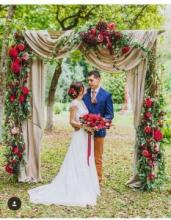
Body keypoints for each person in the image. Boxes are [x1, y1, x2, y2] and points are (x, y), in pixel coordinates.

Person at [28, 81, 100, 207]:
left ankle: (85, 184)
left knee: (85, 159)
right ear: (80, 91)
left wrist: (92, 125)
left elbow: (84, 118)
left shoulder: (81, 102)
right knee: (78, 159)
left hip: (86, 136)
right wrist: (85, 126)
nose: (85, 89)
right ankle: (76, 186)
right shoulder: (74, 104)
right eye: (83, 88)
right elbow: (72, 122)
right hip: (79, 136)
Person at [83, 70, 114, 184]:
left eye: (91, 80)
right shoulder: (85, 94)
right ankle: (86, 178)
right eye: (88, 80)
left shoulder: (106, 95)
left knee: (97, 157)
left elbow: (110, 114)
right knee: (85, 155)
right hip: (85, 132)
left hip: (99, 132)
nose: (89, 82)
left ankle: (98, 180)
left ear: (98, 79)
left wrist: (100, 123)